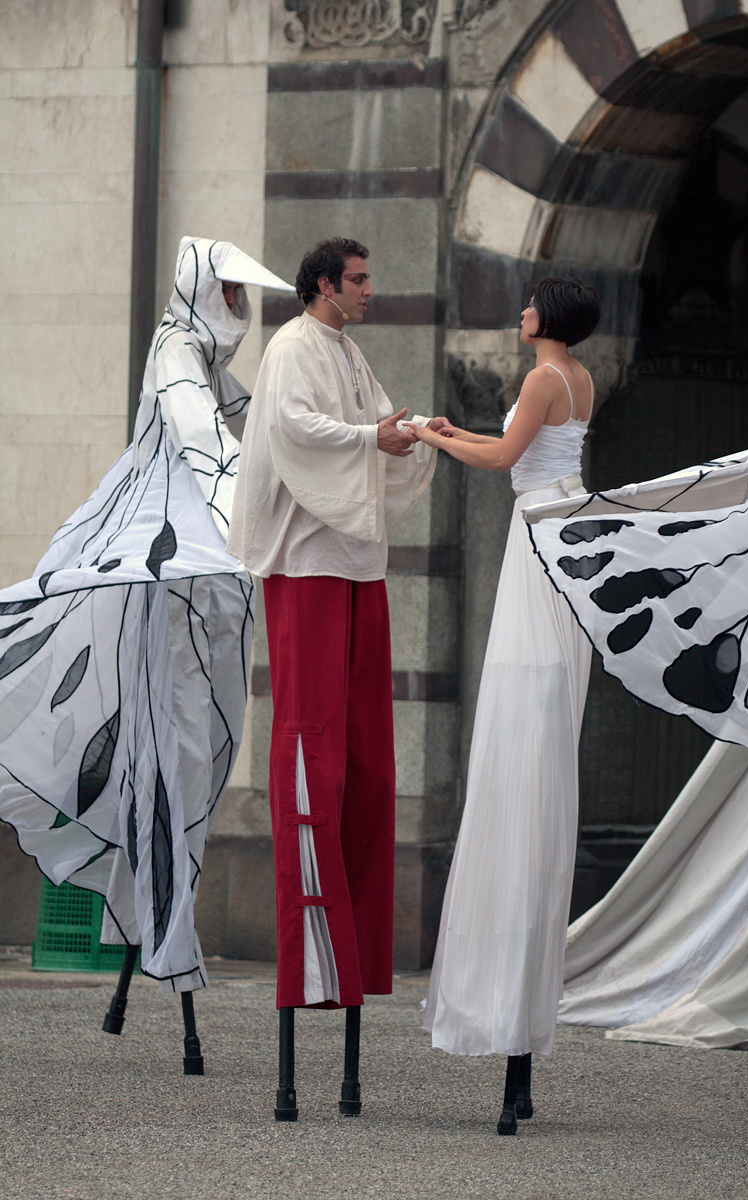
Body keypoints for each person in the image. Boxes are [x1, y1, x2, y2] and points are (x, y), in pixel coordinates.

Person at [0, 236, 293, 992]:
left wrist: (345, 449)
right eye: (229, 295)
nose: (239, 309)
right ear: (201, 290)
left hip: (205, 572)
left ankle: (163, 922)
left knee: (195, 751)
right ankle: (165, 930)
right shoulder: (174, 357)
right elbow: (206, 443)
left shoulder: (207, 362)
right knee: (167, 749)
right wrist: (252, 523)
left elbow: (256, 428)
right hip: (167, 568)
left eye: (242, 297)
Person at [227, 237, 446, 1037]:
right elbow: (294, 428)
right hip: (309, 564)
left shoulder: (346, 351)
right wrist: (373, 440)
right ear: (322, 284)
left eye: (368, 276)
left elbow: (373, 420)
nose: (368, 290)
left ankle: (349, 953)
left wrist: (420, 428)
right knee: (313, 747)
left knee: (364, 759)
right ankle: (311, 953)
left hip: (357, 567)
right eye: (357, 279)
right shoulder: (290, 348)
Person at [411, 276, 601, 1133]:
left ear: (547, 319)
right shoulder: (579, 377)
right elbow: (526, 451)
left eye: (529, 306)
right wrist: (460, 432)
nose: (519, 314)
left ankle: (506, 1024)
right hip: (565, 533)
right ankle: (519, 1045)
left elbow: (502, 462)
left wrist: (436, 438)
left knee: (521, 732)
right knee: (539, 729)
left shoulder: (541, 376)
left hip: (541, 542)